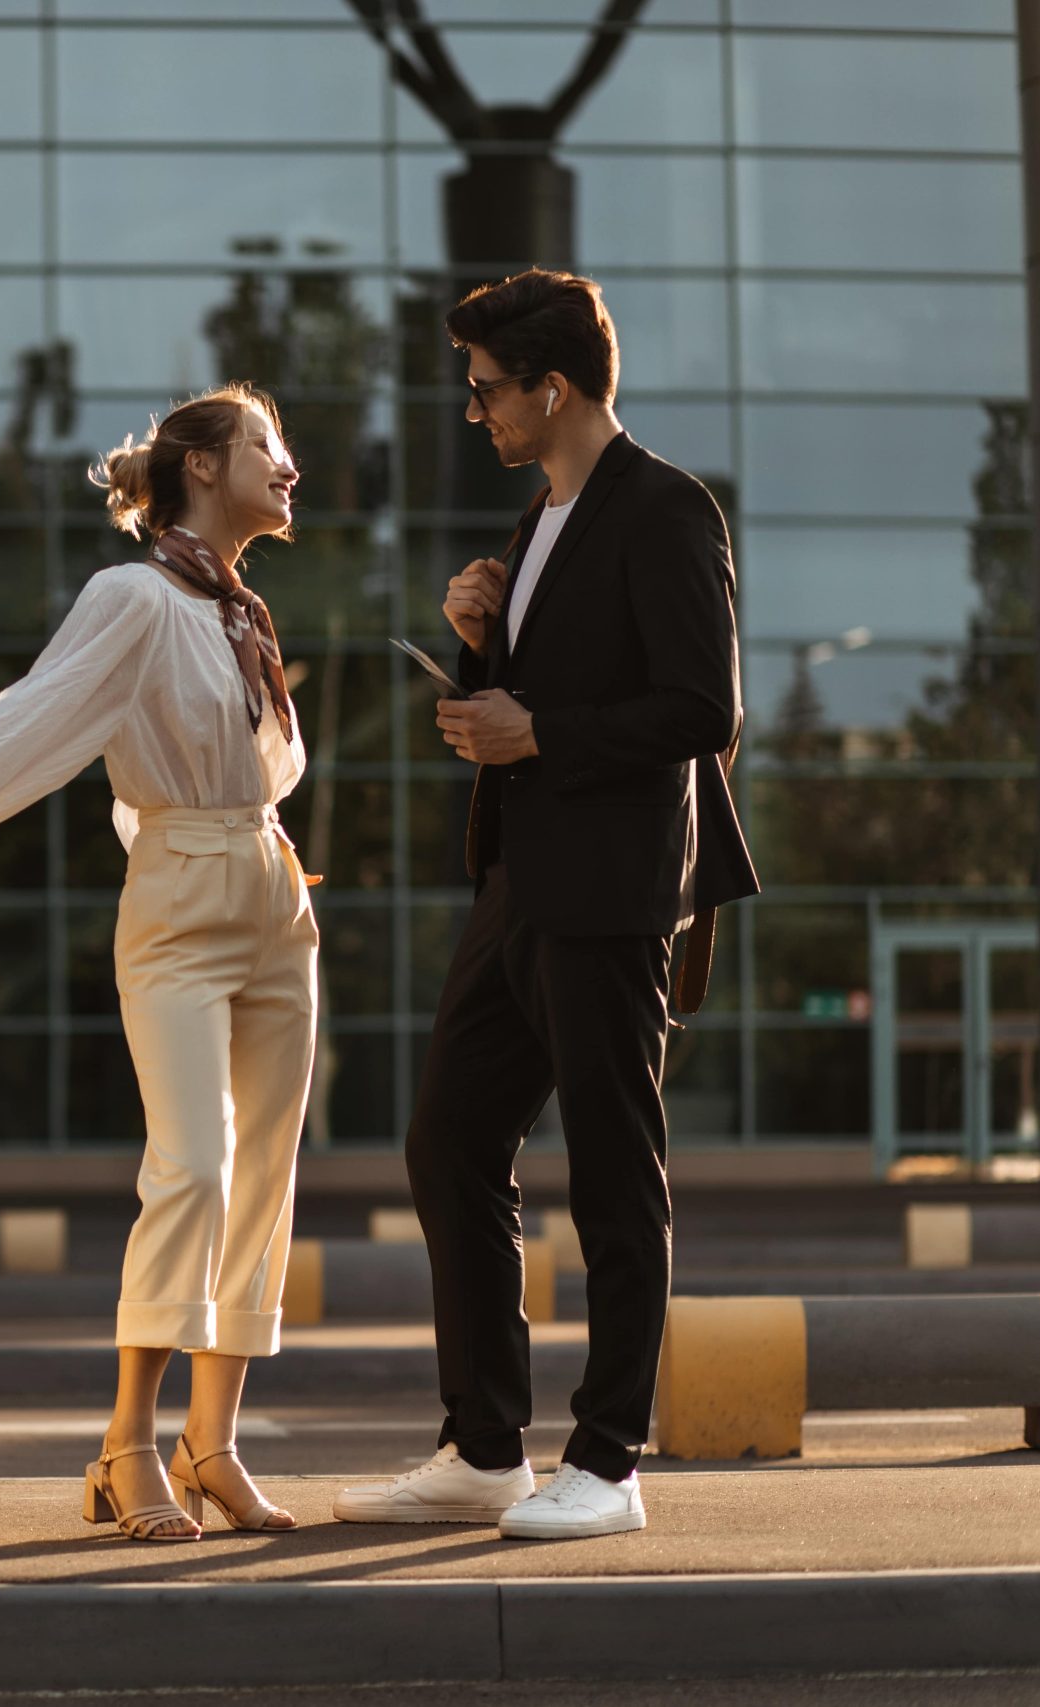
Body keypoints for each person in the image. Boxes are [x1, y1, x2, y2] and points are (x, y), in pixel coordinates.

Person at [0, 384, 320, 1543]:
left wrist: (257, 863)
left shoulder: (244, 611)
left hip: (274, 895)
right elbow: (26, 722)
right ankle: (126, 1445)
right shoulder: (132, 598)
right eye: (265, 449)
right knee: (191, 1165)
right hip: (184, 903)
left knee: (263, 1180)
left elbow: (259, 770)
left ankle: (212, 1445)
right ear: (197, 465)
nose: (290, 469)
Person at [333, 270, 758, 1540]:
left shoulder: (666, 508)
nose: (475, 413)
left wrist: (535, 729)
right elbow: (537, 700)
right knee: (450, 1141)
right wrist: (478, 637)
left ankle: (611, 1460)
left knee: (617, 1176)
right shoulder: (541, 522)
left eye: (485, 390)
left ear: (552, 386)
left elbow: (703, 711)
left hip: (615, 892)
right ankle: (482, 1448)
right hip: (518, 884)